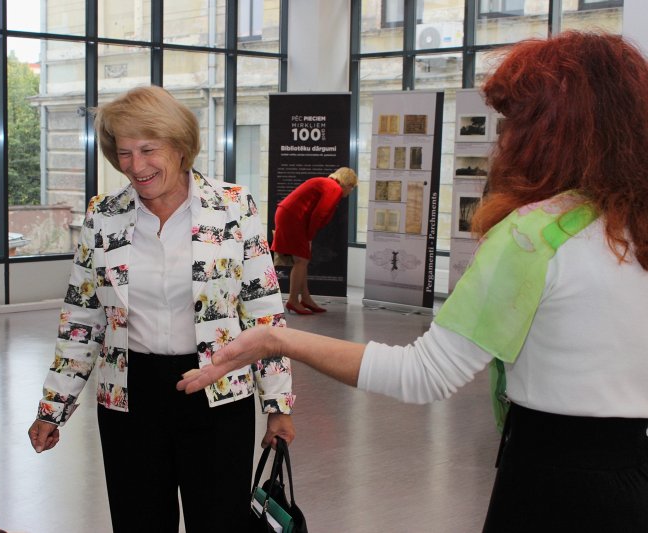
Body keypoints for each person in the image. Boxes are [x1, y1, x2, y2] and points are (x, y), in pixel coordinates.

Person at [178, 32, 648, 532]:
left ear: (552, 133)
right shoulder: (633, 227)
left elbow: (425, 373)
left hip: (556, 484)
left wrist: (276, 338)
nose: (502, 142)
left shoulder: (533, 236)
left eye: (514, 124)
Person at [27, 85, 296, 533]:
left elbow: (263, 311)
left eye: (148, 149)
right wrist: (52, 407)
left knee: (219, 522)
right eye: (125, 152)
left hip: (218, 391)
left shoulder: (232, 207)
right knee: (139, 522)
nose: (136, 165)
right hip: (130, 396)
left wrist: (278, 403)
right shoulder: (104, 215)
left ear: (180, 146)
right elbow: (82, 321)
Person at [271, 168, 357, 314]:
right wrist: (309, 236)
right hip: (293, 218)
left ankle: (305, 298)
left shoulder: (326, 183)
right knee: (302, 261)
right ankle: (292, 300)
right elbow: (319, 213)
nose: (351, 191)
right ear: (347, 183)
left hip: (289, 215)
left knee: (302, 260)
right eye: (352, 187)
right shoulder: (334, 188)